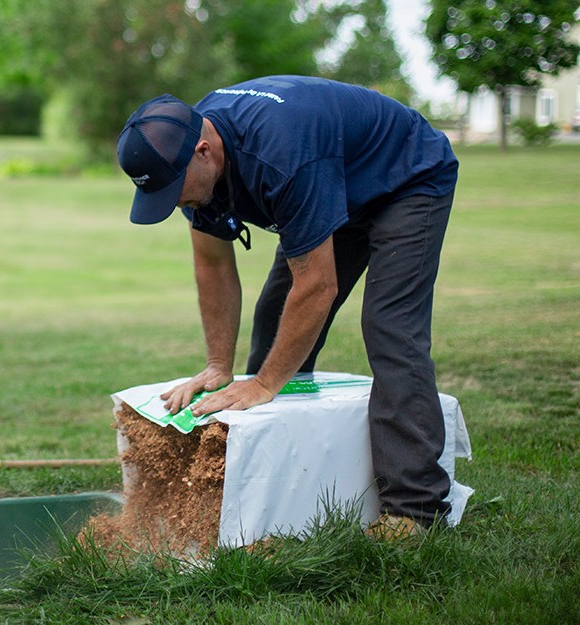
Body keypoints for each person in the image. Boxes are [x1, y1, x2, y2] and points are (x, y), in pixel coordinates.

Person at [117, 75, 459, 536]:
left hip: (405, 178)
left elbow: (318, 286)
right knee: (273, 320)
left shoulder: (279, 153)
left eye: (174, 190)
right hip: (333, 178)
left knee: (390, 328)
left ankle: (415, 511)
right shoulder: (181, 147)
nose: (175, 202)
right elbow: (213, 263)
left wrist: (263, 383)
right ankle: (279, 489)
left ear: (204, 152)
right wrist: (220, 365)